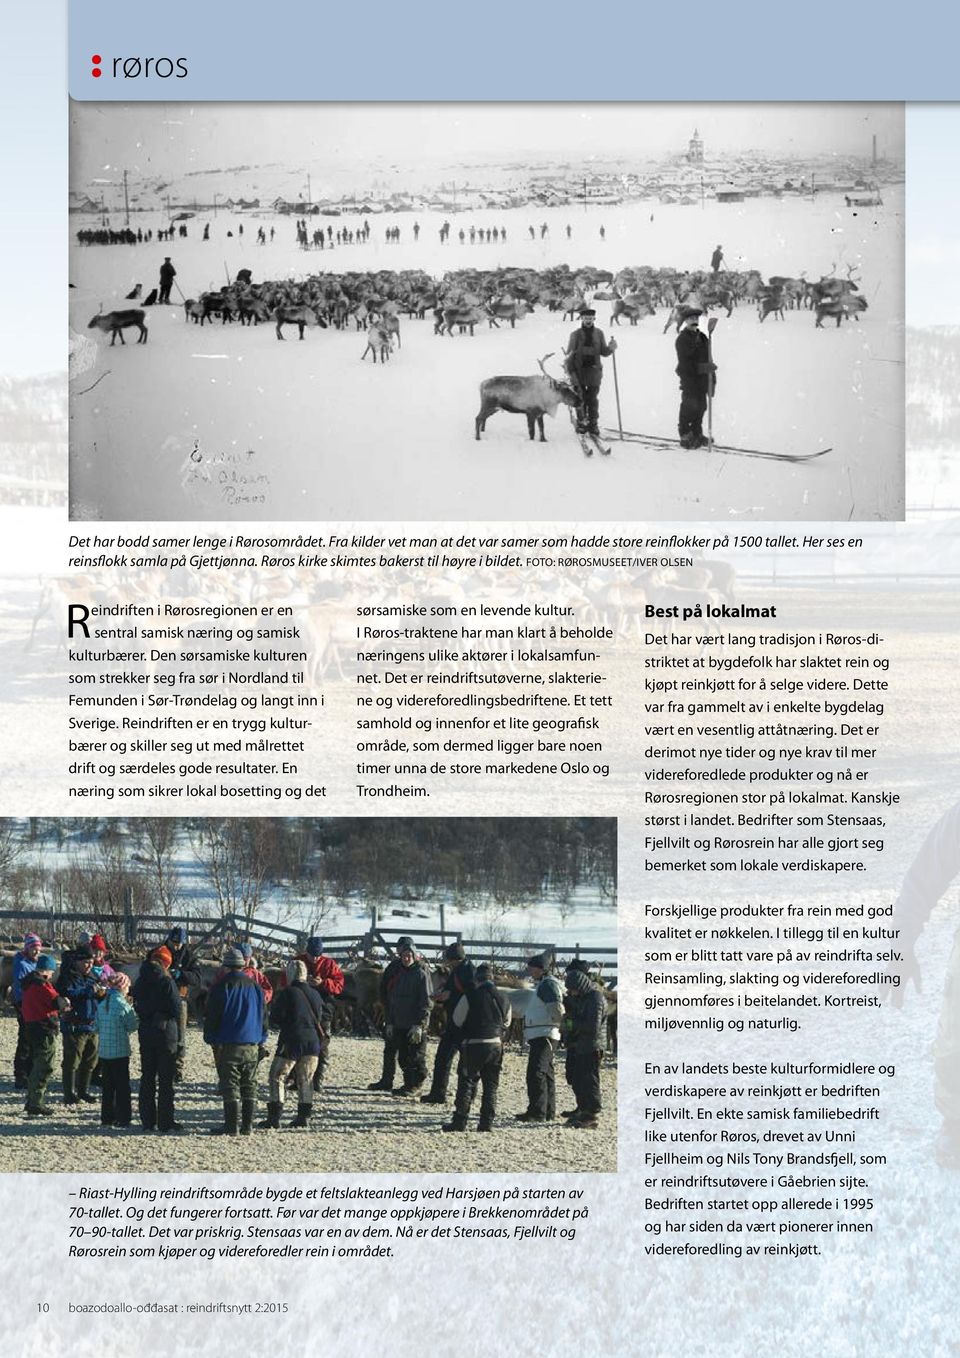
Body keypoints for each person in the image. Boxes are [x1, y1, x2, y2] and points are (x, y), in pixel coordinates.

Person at [203, 946, 267, 1136]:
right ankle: (247, 1126)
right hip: (253, 1043)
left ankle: (231, 1126)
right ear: (242, 965)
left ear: (225, 966)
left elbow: (212, 1016)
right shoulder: (256, 987)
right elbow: (264, 1015)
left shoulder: (221, 986)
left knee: (230, 1084)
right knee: (250, 1084)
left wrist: (210, 1038)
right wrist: (262, 1038)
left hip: (229, 1042)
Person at [442, 963, 511, 1132]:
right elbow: (507, 1022)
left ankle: (460, 1121)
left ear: (477, 979)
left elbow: (457, 1019)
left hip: (473, 1044)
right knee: (491, 1085)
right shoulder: (503, 997)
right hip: (495, 1044)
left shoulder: (469, 995)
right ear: (492, 979)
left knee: (467, 1081)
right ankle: (486, 1123)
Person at [263, 959, 325, 1130]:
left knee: (277, 1076)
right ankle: (303, 1117)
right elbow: (320, 1017)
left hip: (291, 1040)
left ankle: (274, 1116)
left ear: (289, 974)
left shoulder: (287, 992)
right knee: (306, 1079)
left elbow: (276, 1018)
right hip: (313, 1042)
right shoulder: (315, 994)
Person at [367, 936, 431, 1096]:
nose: (405, 957)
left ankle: (415, 1084)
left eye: (408, 954)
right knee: (402, 1055)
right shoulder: (398, 970)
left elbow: (426, 1000)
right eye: (403, 954)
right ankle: (405, 1083)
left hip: (414, 1021)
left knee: (415, 1055)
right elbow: (389, 994)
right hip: (397, 1020)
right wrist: (389, 1020)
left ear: (414, 954)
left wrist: (421, 1023)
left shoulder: (421, 972)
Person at [132, 946, 184, 1134]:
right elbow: (177, 1008)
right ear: (165, 963)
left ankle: (147, 1120)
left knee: (147, 1077)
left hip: (146, 1031)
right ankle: (165, 1121)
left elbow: (135, 1001)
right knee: (166, 1080)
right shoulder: (166, 981)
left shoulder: (140, 979)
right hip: (166, 1033)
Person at [421, 942, 474, 1105]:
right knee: (456, 1060)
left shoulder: (465, 972)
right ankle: (458, 1095)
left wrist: (447, 996)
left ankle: (441, 1094)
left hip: (461, 1023)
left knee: (448, 1059)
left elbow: (468, 995)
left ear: (453, 959)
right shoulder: (466, 970)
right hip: (459, 1022)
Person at [515, 953, 564, 1123]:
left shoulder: (547, 985)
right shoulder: (547, 984)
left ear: (539, 968)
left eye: (531, 966)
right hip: (544, 1033)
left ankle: (537, 1112)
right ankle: (548, 1111)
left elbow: (556, 1009)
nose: (529, 969)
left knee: (536, 1073)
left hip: (544, 1034)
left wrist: (556, 1023)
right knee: (546, 1073)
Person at [294, 937, 344, 1088]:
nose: (314, 958)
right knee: (298, 1043)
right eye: (311, 955)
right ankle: (298, 1079)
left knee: (322, 1044)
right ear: (306, 952)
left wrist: (323, 983)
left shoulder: (330, 964)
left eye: (317, 955)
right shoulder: (297, 961)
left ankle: (317, 1081)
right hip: (300, 1008)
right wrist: (302, 982)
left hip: (324, 1009)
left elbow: (339, 985)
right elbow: (286, 980)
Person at [21, 955, 67, 1117]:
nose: (53, 975)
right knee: (45, 1065)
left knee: (37, 1063)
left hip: (32, 1027)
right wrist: (66, 1004)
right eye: (52, 971)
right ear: (45, 972)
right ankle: (36, 1102)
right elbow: (58, 1002)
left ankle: (32, 1099)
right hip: (44, 1029)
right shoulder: (42, 986)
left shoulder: (28, 984)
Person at [563, 966, 607, 1129]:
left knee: (590, 1080)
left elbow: (592, 1026)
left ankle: (592, 1113)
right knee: (578, 1079)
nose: (571, 992)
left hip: (592, 1046)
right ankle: (583, 1109)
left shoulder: (595, 998)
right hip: (581, 1044)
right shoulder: (583, 998)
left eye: (573, 989)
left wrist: (572, 1024)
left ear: (580, 986)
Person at [94, 972, 138, 1128]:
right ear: (122, 987)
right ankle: (123, 1117)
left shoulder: (102, 1003)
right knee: (122, 1086)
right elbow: (133, 1025)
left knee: (107, 1087)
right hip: (119, 1051)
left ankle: (107, 1117)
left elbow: (96, 1027)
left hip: (104, 1051)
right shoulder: (122, 1004)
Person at [59, 945, 101, 1106]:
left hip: (92, 1025)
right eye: (85, 962)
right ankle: (69, 1094)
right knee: (72, 1061)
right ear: (77, 961)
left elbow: (93, 995)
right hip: (74, 1025)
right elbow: (69, 993)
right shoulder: (67, 976)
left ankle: (83, 1091)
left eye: (91, 962)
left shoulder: (92, 977)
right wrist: (89, 991)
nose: (89, 965)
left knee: (90, 1061)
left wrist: (101, 994)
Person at [564, 309, 617, 436]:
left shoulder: (599, 333)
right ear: (581, 319)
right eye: (585, 318)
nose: (588, 320)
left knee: (592, 399)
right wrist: (570, 372)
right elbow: (569, 355)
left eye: (590, 318)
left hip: (594, 372)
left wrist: (611, 348)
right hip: (579, 372)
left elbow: (604, 352)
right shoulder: (575, 335)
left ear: (594, 319)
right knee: (580, 398)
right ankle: (582, 423)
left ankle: (593, 423)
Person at [160, 926, 199, 1081]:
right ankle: (162, 1066)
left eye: (179, 943)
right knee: (161, 1033)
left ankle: (178, 1068)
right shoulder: (160, 952)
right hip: (161, 998)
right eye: (173, 942)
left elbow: (197, 978)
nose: (176, 946)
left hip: (180, 998)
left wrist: (182, 974)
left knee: (180, 1036)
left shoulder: (189, 956)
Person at [674, 306, 716, 449]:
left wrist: (712, 376)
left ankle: (697, 433)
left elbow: (708, 358)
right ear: (685, 321)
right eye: (691, 319)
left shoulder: (704, 337)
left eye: (696, 318)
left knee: (701, 407)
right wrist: (702, 368)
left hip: (702, 379)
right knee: (689, 407)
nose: (694, 321)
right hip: (689, 379)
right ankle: (685, 434)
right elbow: (685, 363)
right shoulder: (682, 339)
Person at [11, 932, 42, 1089]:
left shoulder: (34, 963)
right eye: (34, 948)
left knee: (32, 1040)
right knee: (24, 1040)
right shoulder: (22, 965)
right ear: (27, 949)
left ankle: (29, 1071)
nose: (37, 951)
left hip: (34, 1005)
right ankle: (21, 1075)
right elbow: (20, 988)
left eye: (38, 948)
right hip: (24, 1005)